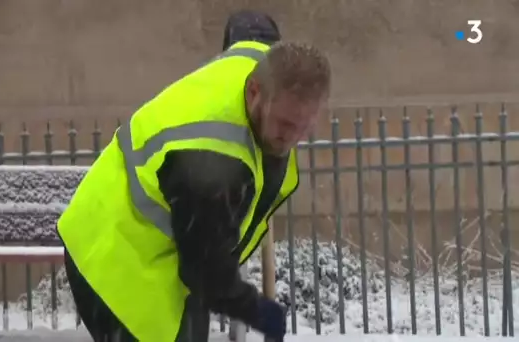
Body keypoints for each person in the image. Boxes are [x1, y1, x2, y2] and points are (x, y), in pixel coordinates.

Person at [58, 33, 331, 342]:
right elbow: (207, 272)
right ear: (255, 91)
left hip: (142, 235)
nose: (292, 137)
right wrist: (257, 310)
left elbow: (247, 30)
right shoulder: (213, 167)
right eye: (284, 123)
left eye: (304, 126)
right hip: (114, 260)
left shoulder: (255, 60)